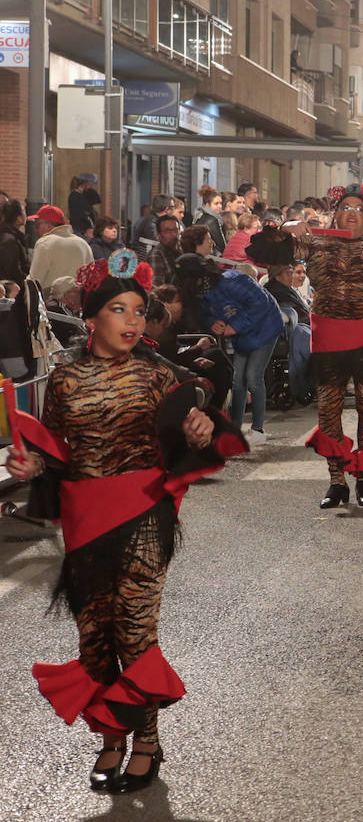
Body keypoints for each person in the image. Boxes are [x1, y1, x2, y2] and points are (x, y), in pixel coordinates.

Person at [14, 250, 245, 794]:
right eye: (120, 310)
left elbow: (199, 410)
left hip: (143, 512)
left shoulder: (157, 372)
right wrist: (30, 463)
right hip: (84, 519)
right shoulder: (65, 379)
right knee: (95, 637)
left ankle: (144, 740)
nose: (134, 321)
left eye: (140, 311)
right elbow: (55, 450)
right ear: (92, 318)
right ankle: (111, 735)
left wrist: (198, 431)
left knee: (136, 634)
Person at [246, 183, 363, 508]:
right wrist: (284, 228)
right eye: (346, 207)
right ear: (336, 213)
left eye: (359, 208)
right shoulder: (315, 242)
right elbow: (261, 251)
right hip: (328, 341)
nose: (352, 213)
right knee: (329, 411)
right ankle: (337, 481)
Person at [176, 253, 282, 445]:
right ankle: (234, 429)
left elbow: (260, 303)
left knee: (253, 377)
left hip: (266, 327)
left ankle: (258, 429)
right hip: (242, 334)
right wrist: (213, 323)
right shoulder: (200, 293)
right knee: (238, 380)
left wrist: (236, 326)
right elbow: (205, 314)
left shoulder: (232, 280)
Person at [265, 264, 314, 404]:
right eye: (288, 273)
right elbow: (291, 313)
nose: (291, 276)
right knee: (304, 336)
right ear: (278, 275)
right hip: (285, 331)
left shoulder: (288, 289)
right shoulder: (275, 290)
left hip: (300, 325)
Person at [29, 204, 94, 290]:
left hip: (52, 300)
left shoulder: (44, 243)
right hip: (78, 300)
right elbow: (91, 277)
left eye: (38, 225)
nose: (36, 229)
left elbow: (35, 280)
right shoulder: (83, 244)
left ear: (48, 225)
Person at [0, 197, 29, 283]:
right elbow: (10, 271)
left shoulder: (13, 237)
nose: (26, 215)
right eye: (24, 211)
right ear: (18, 219)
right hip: (12, 290)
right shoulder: (9, 240)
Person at [149, 214, 182, 286]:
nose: (173, 234)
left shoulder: (183, 250)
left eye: (175, 230)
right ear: (159, 235)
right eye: (167, 231)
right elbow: (157, 289)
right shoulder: (156, 254)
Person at [66, 173, 101, 238]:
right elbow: (84, 213)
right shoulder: (75, 196)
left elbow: (98, 199)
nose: (90, 187)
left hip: (83, 229)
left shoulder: (82, 195)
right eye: (90, 184)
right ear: (85, 183)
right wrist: (89, 226)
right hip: (81, 229)